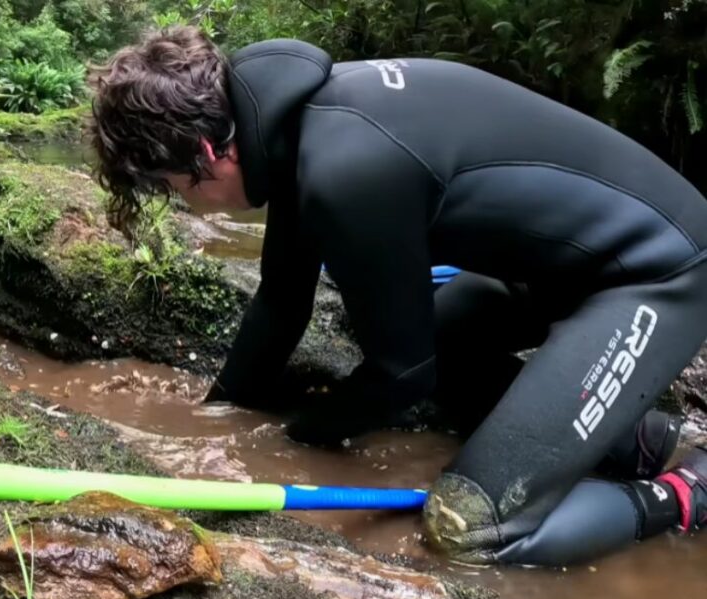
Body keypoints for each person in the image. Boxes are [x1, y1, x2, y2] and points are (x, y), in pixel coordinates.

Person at [86, 25, 707, 566]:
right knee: (428, 335)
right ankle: (645, 440)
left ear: (206, 154)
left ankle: (688, 492)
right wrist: (216, 415)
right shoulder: (296, 128)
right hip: (552, 268)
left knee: (468, 527)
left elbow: (401, 376)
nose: (180, 201)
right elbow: (281, 299)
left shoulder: (344, 168)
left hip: (659, 272)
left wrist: (288, 446)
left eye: (170, 187)